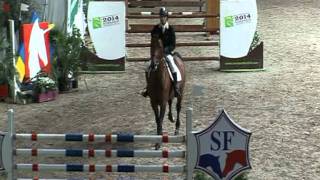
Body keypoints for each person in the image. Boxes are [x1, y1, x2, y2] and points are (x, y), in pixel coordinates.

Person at [142, 7, 180, 97]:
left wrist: (165, 50)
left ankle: (176, 87)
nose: (162, 18)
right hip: (157, 54)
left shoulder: (171, 29)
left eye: (164, 16)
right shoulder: (156, 28)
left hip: (167, 53)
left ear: (167, 17)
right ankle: (148, 87)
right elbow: (153, 40)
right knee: (147, 67)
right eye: (161, 16)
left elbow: (173, 45)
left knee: (173, 66)